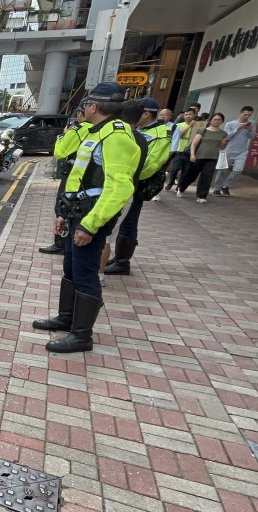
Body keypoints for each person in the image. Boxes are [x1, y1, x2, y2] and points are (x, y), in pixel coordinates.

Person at [33, 82, 140, 353]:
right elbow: (77, 175)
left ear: (93, 107)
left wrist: (91, 225)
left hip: (91, 218)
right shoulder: (96, 132)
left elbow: (119, 188)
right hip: (77, 214)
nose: (84, 108)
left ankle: (82, 336)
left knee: (85, 274)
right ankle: (67, 319)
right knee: (71, 269)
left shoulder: (116, 137)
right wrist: (63, 214)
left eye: (86, 104)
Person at [105, 98, 171, 276]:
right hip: (129, 181)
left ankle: (122, 262)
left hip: (138, 183)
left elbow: (153, 163)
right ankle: (118, 258)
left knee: (129, 222)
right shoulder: (141, 130)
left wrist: (128, 175)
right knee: (123, 221)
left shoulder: (161, 133)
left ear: (146, 114)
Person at [39, 100, 91, 255]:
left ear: (82, 113)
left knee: (63, 206)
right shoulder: (98, 129)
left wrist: (64, 134)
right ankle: (70, 243)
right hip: (90, 178)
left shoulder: (78, 129)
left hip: (73, 175)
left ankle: (60, 243)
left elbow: (59, 152)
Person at [177, 112, 227, 203]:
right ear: (210, 120)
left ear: (222, 121)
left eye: (219, 120)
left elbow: (222, 147)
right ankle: (181, 188)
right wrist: (192, 154)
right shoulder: (203, 131)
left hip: (213, 157)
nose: (216, 121)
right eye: (215, 119)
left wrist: (224, 144)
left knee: (207, 176)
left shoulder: (223, 133)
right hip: (199, 157)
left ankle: (202, 196)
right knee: (191, 175)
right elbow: (194, 144)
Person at [213, 105, 255, 196]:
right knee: (223, 170)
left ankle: (226, 186)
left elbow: (252, 137)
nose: (247, 117)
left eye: (249, 115)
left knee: (238, 169)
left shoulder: (251, 123)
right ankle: (217, 188)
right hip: (229, 149)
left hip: (243, 150)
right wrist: (237, 128)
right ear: (241, 113)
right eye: (245, 114)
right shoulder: (230, 124)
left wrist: (250, 130)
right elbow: (227, 136)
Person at [161, 108, 196, 196]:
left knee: (185, 171)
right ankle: (171, 182)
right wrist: (189, 126)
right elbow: (180, 135)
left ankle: (180, 187)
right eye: (186, 114)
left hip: (190, 152)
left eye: (190, 114)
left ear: (194, 115)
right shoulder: (178, 125)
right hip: (179, 150)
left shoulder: (198, 126)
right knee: (174, 168)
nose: (188, 116)